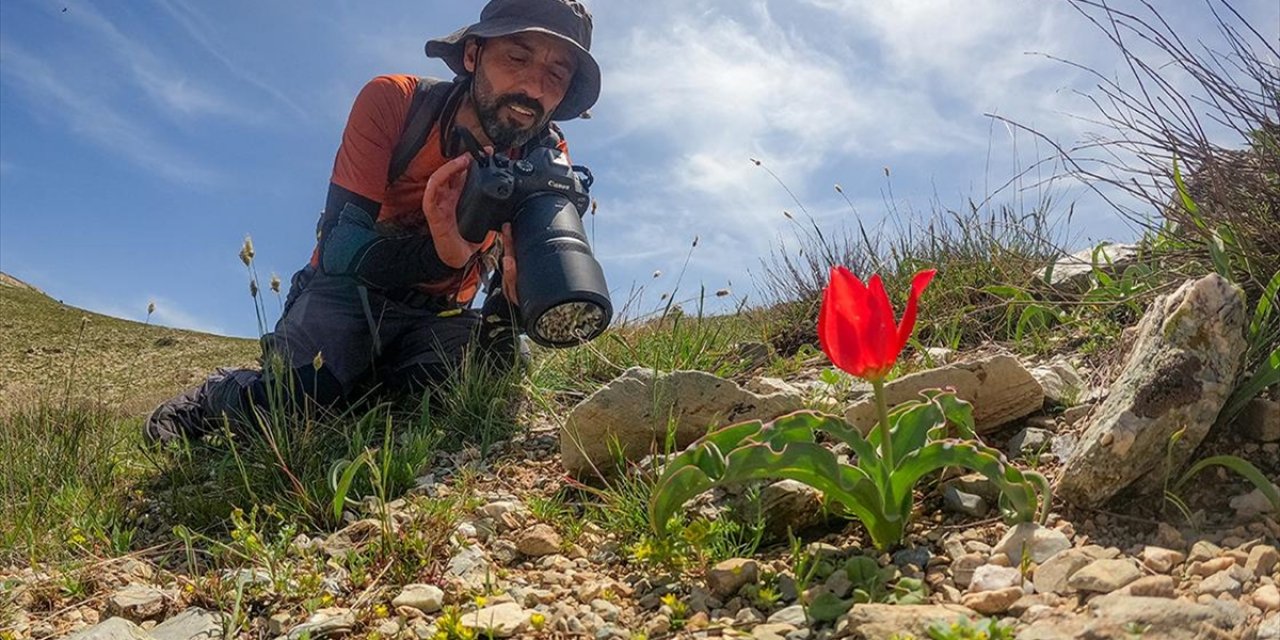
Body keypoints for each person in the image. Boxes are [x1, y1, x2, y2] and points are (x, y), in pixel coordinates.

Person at [144, 0, 600, 443]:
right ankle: (221, 392)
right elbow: (339, 247)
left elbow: (518, 276)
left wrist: (513, 305)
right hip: (346, 291)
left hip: (437, 314)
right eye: (517, 56)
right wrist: (439, 255)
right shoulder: (396, 102)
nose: (533, 89)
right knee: (303, 398)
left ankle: (366, 379)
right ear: (471, 53)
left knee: (492, 376)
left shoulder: (548, 156)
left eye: (556, 76)